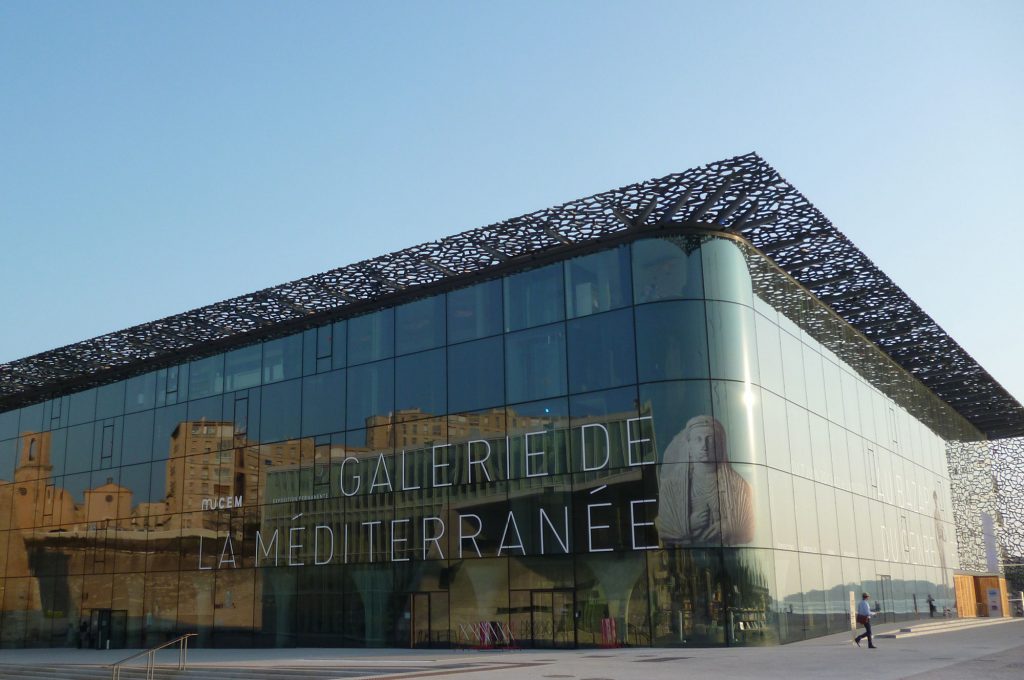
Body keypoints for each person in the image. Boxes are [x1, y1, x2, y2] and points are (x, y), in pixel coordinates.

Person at [657, 415, 754, 545]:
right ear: (689, 446)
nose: (704, 446)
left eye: (710, 440)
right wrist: (689, 524)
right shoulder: (671, 487)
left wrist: (727, 526)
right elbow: (664, 528)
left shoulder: (738, 486)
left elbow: (749, 528)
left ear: (719, 445)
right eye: (698, 440)